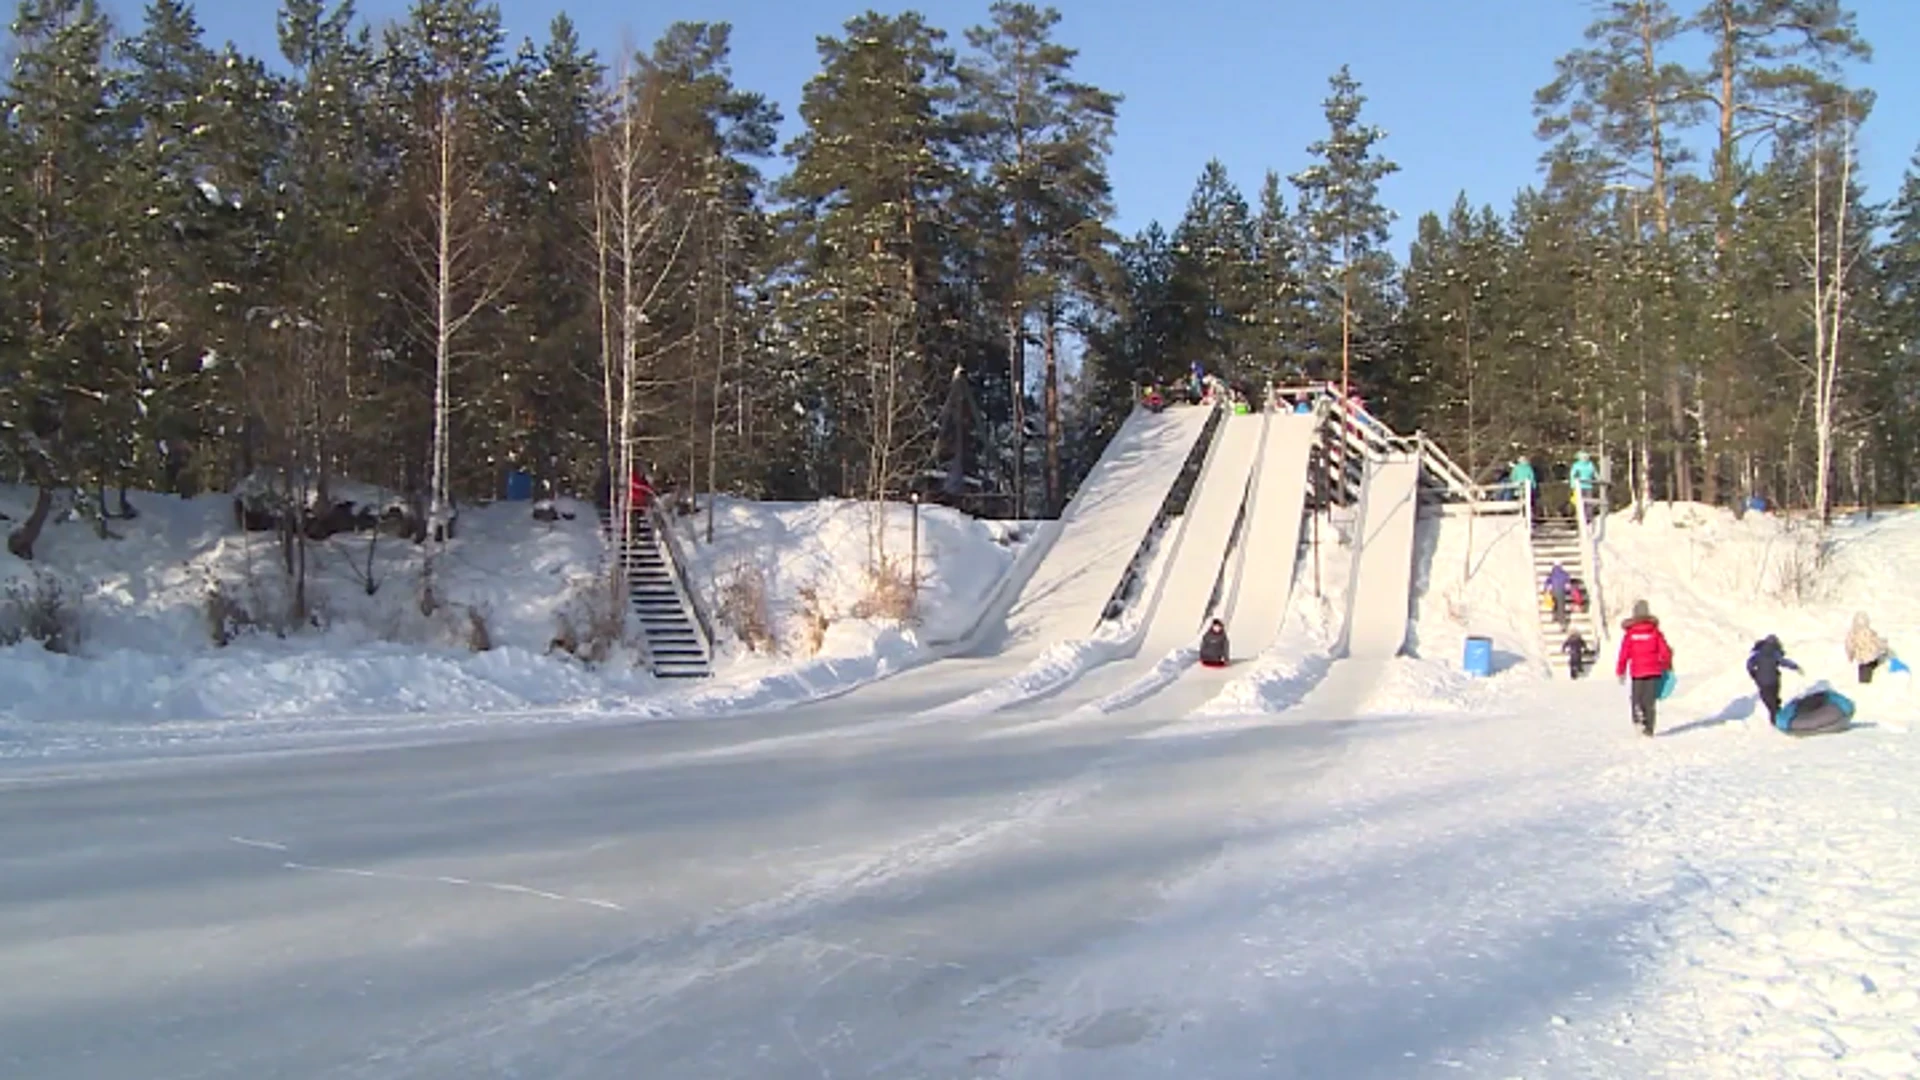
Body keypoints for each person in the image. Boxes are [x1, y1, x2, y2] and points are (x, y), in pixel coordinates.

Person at [1616, 599, 1674, 737]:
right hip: (1653, 671)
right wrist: (1667, 665)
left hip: (1637, 672)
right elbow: (1665, 651)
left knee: (1637, 698)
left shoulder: (1630, 634)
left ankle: (1638, 720)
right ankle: (1649, 728)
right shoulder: (1654, 632)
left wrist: (1621, 670)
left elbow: (1624, 653)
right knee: (1649, 700)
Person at [1745, 634, 1800, 726]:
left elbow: (1749, 664)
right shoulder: (1775, 653)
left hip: (1762, 682)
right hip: (1774, 680)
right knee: (1774, 697)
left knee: (1767, 699)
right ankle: (1776, 714)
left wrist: (1753, 674)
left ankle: (1775, 716)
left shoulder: (1758, 654)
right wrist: (1794, 666)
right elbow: (1783, 662)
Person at [1845, 612, 1889, 684]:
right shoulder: (1869, 632)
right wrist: (1884, 646)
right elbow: (1877, 642)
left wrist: (1850, 656)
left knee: (1866, 679)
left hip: (1865, 660)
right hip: (1871, 658)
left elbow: (1849, 646)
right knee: (1870, 676)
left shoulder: (1853, 634)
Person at [1569, 451, 1599, 519]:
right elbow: (1572, 475)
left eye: (1586, 457)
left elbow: (1595, 473)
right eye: (1584, 457)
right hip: (1579, 486)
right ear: (1580, 458)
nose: (1585, 458)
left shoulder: (1590, 464)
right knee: (1580, 503)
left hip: (1588, 486)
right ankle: (1580, 517)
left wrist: (1599, 479)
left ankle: (1588, 518)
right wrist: (1573, 485)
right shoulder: (1576, 465)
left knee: (1589, 503)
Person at [1544, 562, 1572, 630]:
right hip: (1561, 591)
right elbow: (1568, 584)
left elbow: (1547, 583)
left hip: (1553, 591)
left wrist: (1546, 589)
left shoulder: (1551, 574)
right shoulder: (1564, 574)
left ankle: (1554, 616)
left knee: (1554, 604)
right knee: (1561, 607)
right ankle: (1562, 624)